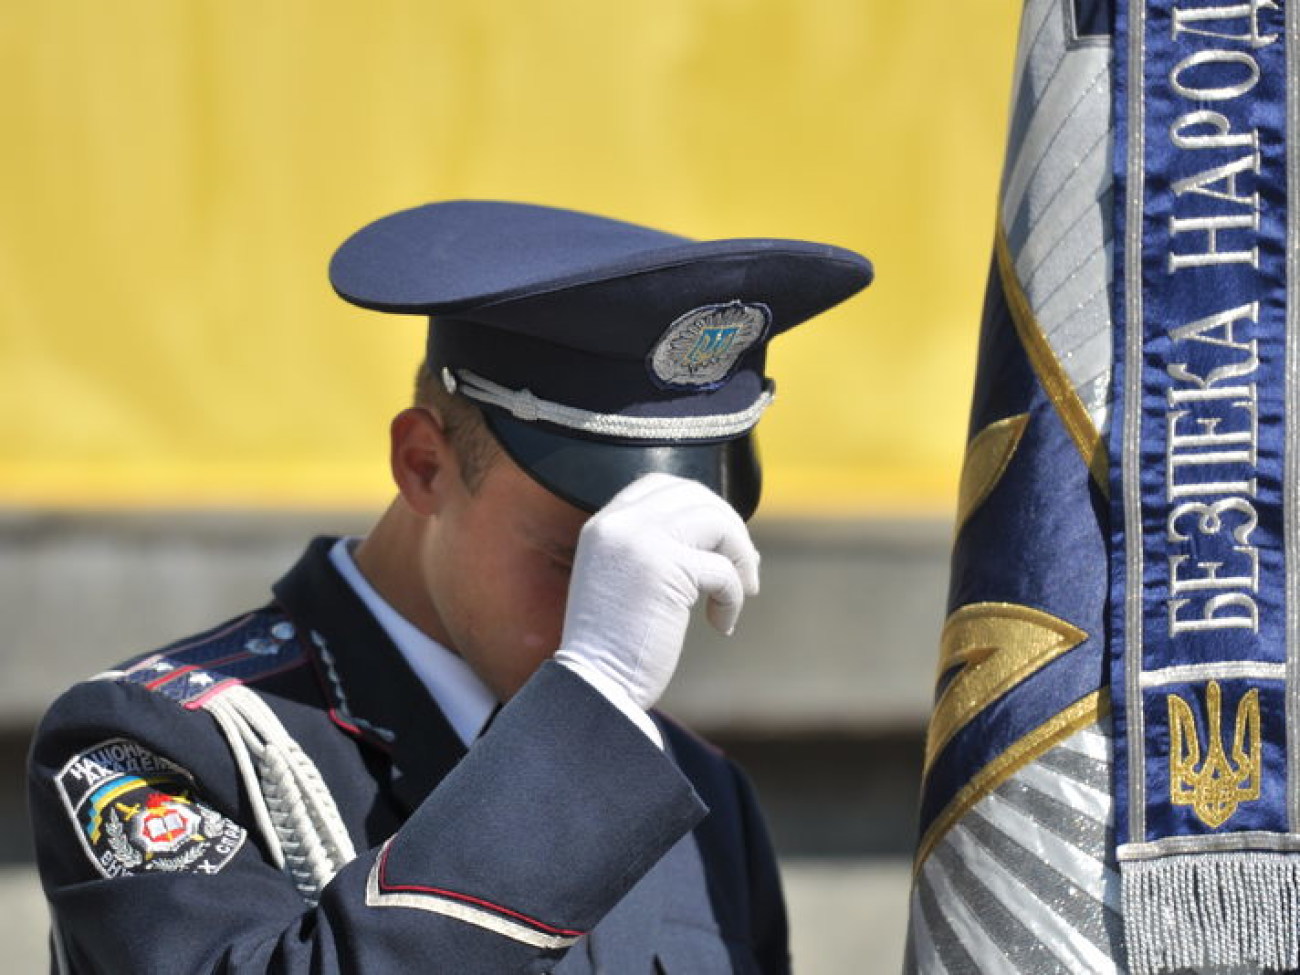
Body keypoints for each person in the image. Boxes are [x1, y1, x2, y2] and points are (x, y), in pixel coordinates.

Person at [27, 200, 872, 973]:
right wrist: (592, 708)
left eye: (653, 572)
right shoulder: (153, 746)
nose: (610, 613)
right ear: (422, 464)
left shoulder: (701, 792)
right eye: (572, 559)